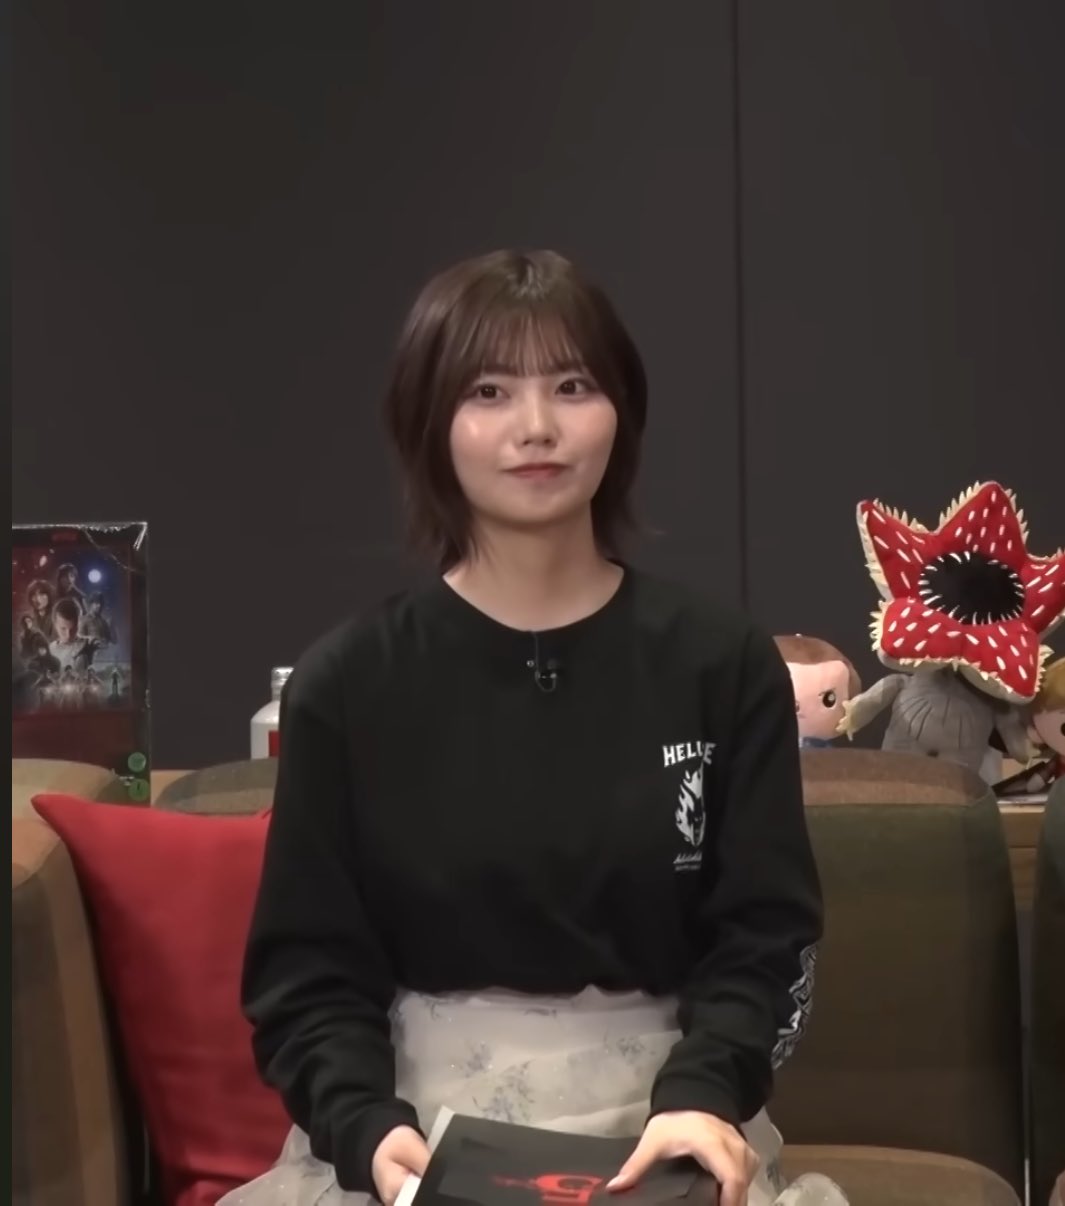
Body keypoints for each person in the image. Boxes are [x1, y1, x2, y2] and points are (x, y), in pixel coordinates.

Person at [223, 251, 843, 1206]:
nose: (536, 427)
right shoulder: (348, 682)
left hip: (665, 1124)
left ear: (620, 412)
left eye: (571, 385)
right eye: (488, 391)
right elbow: (307, 971)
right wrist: (365, 1125)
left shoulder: (720, 663)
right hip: (417, 1128)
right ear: (428, 422)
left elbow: (763, 937)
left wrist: (703, 1094)